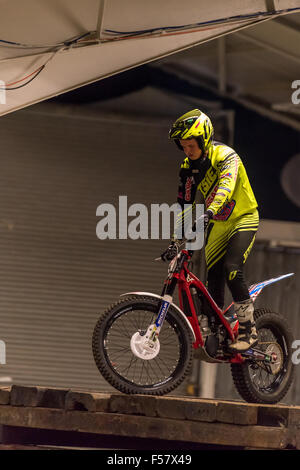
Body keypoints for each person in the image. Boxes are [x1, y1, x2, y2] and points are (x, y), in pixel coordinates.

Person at [161, 109, 259, 353]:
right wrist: (175, 240)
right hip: (218, 222)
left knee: (231, 269)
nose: (187, 152)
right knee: (210, 277)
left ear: (204, 140)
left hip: (243, 218)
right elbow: (183, 205)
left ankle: (249, 329)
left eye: (191, 146)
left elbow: (226, 187)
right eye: (183, 147)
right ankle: (214, 329)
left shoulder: (227, 156)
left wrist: (209, 212)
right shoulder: (188, 168)